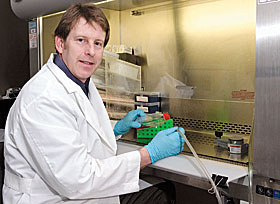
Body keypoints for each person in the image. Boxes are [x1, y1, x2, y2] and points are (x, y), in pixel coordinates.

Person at [3, 3, 185, 204]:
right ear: (60, 44)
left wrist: (115, 128)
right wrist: (149, 154)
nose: (90, 51)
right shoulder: (43, 99)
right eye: (81, 40)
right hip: (52, 198)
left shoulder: (79, 81)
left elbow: (76, 131)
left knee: (161, 187)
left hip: (79, 191)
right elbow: (77, 179)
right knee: (160, 195)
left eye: (98, 43)